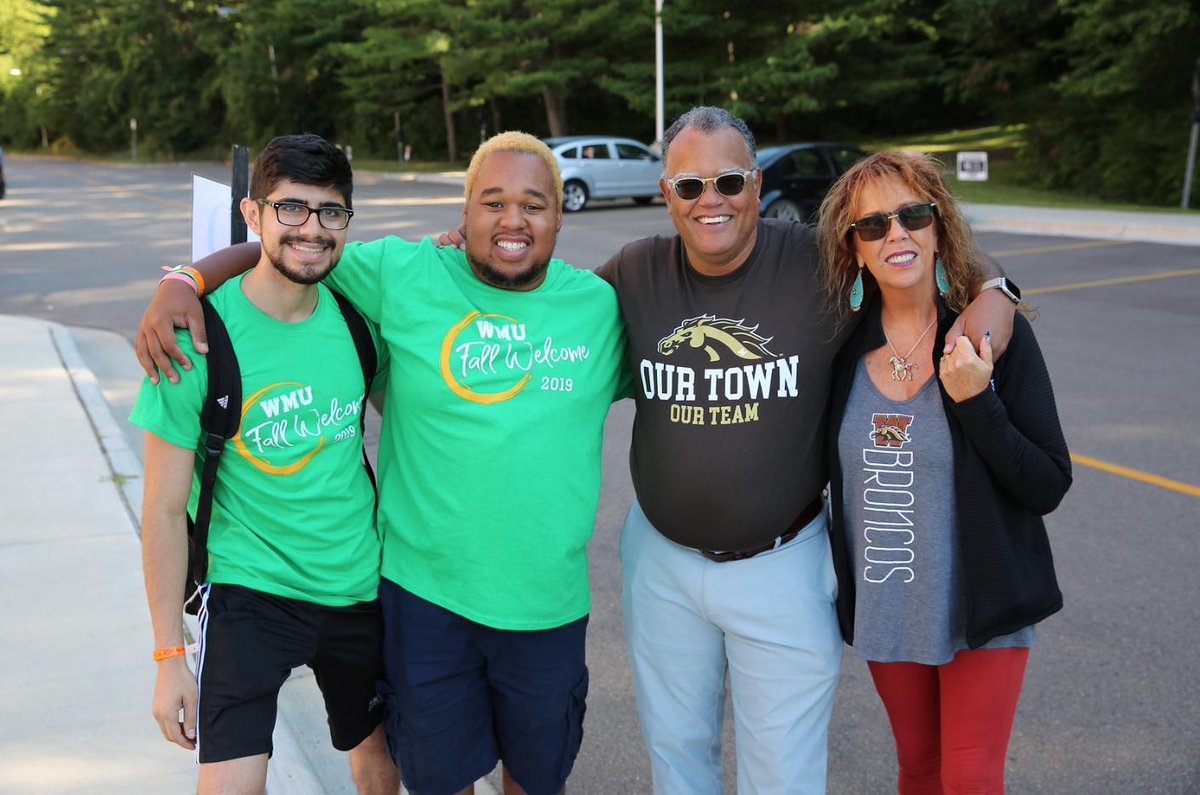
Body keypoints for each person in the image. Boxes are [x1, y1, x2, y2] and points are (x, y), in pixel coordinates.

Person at [134, 131, 630, 795]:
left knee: (503, 776)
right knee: (418, 777)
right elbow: (293, 248)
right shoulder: (391, 276)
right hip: (393, 599)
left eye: (533, 204)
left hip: (485, 602)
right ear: (464, 211)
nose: (513, 220)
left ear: (561, 213)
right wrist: (184, 278)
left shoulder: (596, 309)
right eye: (493, 202)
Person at [596, 107, 1020, 795]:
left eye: (730, 180)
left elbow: (933, 253)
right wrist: (459, 254)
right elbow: (540, 313)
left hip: (784, 564)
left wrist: (995, 290)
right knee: (676, 755)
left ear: (757, 183)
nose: (712, 200)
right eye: (689, 185)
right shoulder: (635, 270)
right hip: (662, 564)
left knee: (784, 772)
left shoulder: (817, 262)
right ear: (664, 189)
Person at [131, 134, 398, 794]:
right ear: (252, 214)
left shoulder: (359, 317)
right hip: (250, 592)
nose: (312, 228)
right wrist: (170, 657)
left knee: (380, 764)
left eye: (331, 211)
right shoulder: (192, 339)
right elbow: (162, 510)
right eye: (292, 209)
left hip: (356, 585)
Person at [817, 151, 1071, 793]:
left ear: (938, 227)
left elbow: (1048, 481)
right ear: (853, 249)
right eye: (872, 225)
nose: (895, 234)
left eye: (912, 215)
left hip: (981, 603)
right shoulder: (840, 348)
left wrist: (977, 401)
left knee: (970, 780)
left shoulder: (984, 340)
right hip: (888, 605)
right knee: (919, 771)